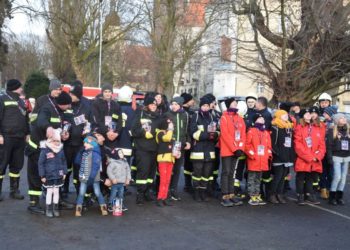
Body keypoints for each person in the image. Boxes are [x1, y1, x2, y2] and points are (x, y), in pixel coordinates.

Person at [26, 91, 74, 215]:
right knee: (36, 175)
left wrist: (63, 134)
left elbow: (59, 126)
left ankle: (55, 201)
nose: (69, 107)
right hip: (37, 148)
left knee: (52, 174)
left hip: (50, 148)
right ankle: (33, 204)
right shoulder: (47, 108)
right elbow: (41, 120)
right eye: (68, 105)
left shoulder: (60, 111)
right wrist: (48, 127)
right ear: (63, 104)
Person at [0, 79, 29, 201]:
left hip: (20, 138)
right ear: (15, 88)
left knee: (17, 165)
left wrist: (28, 133)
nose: (21, 89)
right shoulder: (2, 99)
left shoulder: (20, 101)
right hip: (6, 137)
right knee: (1, 164)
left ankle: (14, 190)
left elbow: (26, 119)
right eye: (20, 87)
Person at [62, 82, 92, 196]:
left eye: (72, 94)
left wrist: (87, 131)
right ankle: (64, 188)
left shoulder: (86, 106)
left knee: (78, 168)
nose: (70, 96)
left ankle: (79, 191)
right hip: (67, 143)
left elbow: (90, 123)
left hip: (80, 144)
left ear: (78, 95)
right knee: (66, 168)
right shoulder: (67, 105)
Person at [189, 96, 219, 201]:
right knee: (197, 173)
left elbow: (217, 131)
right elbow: (193, 132)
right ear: (201, 106)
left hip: (209, 150)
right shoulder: (196, 116)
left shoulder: (212, 116)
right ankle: (196, 193)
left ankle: (203, 192)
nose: (206, 108)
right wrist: (207, 135)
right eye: (204, 106)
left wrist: (215, 135)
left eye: (207, 106)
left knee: (207, 173)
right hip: (198, 150)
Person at [131, 96, 160, 205]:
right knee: (143, 172)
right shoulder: (140, 114)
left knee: (151, 173)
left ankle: (148, 192)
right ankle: (140, 194)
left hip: (154, 149)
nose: (153, 106)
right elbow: (133, 130)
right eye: (152, 104)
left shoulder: (158, 117)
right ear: (147, 105)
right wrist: (143, 133)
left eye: (155, 104)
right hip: (142, 149)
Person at [294, 108, 326, 205]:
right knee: (301, 177)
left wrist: (318, 156)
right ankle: (300, 195)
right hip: (303, 158)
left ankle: (309, 194)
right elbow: (297, 145)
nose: (309, 115)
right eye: (306, 114)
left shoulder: (317, 127)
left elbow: (322, 144)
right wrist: (309, 156)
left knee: (310, 177)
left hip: (314, 158)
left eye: (310, 113)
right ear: (302, 116)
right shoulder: (299, 127)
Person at [219, 97, 245, 207]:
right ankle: (225, 195)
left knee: (232, 173)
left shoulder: (240, 118)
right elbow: (225, 135)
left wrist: (240, 148)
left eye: (236, 103)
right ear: (228, 105)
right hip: (227, 150)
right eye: (233, 103)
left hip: (237, 150)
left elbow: (243, 134)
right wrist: (235, 148)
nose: (235, 105)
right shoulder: (224, 118)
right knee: (226, 172)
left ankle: (231, 194)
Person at [164, 97, 190, 201]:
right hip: (170, 145)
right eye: (172, 104)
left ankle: (174, 190)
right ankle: (166, 191)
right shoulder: (167, 115)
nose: (174, 106)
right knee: (168, 169)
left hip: (180, 146)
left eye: (176, 104)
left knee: (177, 169)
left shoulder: (185, 115)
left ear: (180, 105)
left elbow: (187, 130)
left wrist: (188, 141)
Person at [75, 135, 108, 216]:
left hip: (93, 178)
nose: (84, 145)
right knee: (81, 193)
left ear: (92, 144)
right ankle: (78, 208)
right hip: (84, 177)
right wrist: (80, 152)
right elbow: (77, 162)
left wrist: (91, 177)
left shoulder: (96, 153)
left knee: (97, 192)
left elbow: (95, 167)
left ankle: (103, 207)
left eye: (86, 143)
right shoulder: (84, 152)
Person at [38, 128, 67, 217]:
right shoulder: (45, 150)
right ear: (50, 140)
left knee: (56, 192)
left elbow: (64, 162)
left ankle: (55, 208)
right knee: (49, 192)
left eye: (58, 141)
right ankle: (48, 209)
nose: (56, 143)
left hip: (58, 175)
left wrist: (64, 172)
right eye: (54, 140)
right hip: (48, 176)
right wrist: (42, 175)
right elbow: (40, 163)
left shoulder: (60, 150)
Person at [245, 113, 272, 205]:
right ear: (255, 120)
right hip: (254, 160)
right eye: (260, 118)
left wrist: (268, 155)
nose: (262, 120)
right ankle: (251, 195)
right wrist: (253, 155)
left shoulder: (265, 133)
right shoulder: (251, 131)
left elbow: (268, 146)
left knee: (258, 179)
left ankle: (257, 195)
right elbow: (247, 145)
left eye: (263, 118)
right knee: (252, 178)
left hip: (263, 160)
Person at [269, 109, 295, 204]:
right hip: (278, 156)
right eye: (284, 115)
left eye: (286, 115)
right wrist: (278, 153)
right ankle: (272, 194)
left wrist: (291, 155)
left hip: (287, 156)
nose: (286, 116)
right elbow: (272, 143)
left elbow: (290, 142)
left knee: (283, 176)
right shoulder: (275, 127)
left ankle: (279, 194)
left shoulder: (288, 127)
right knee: (278, 176)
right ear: (279, 116)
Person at [326, 113, 350, 205]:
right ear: (337, 120)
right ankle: (332, 196)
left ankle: (339, 197)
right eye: (341, 118)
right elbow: (329, 146)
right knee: (337, 176)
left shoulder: (348, 130)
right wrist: (329, 158)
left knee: (343, 177)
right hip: (336, 156)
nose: (344, 119)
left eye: (344, 118)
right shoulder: (332, 131)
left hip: (347, 156)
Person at [91, 83, 122, 149]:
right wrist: (106, 131)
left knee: (111, 157)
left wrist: (117, 133)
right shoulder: (96, 103)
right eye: (105, 92)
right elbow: (96, 120)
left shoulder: (116, 105)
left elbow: (120, 121)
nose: (107, 94)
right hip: (100, 134)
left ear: (112, 93)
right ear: (102, 92)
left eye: (109, 91)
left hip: (112, 136)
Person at [155, 116, 177, 206]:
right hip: (163, 159)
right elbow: (167, 139)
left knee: (168, 180)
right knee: (163, 180)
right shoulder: (160, 133)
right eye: (169, 123)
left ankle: (164, 197)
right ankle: (159, 198)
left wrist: (176, 152)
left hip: (171, 159)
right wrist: (170, 129)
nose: (171, 125)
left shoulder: (170, 133)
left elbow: (173, 145)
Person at [106, 149, 131, 214]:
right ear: (116, 155)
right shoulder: (113, 162)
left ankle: (121, 205)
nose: (122, 154)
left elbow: (128, 171)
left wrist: (128, 179)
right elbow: (109, 171)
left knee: (121, 194)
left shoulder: (125, 162)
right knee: (113, 194)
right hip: (115, 182)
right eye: (120, 153)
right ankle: (110, 205)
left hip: (122, 183)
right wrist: (113, 178)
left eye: (122, 153)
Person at [181, 93, 195, 193]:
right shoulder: (184, 113)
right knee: (187, 163)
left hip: (189, 140)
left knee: (189, 163)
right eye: (191, 99)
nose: (193, 101)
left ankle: (188, 184)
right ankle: (187, 184)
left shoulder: (191, 112)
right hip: (185, 141)